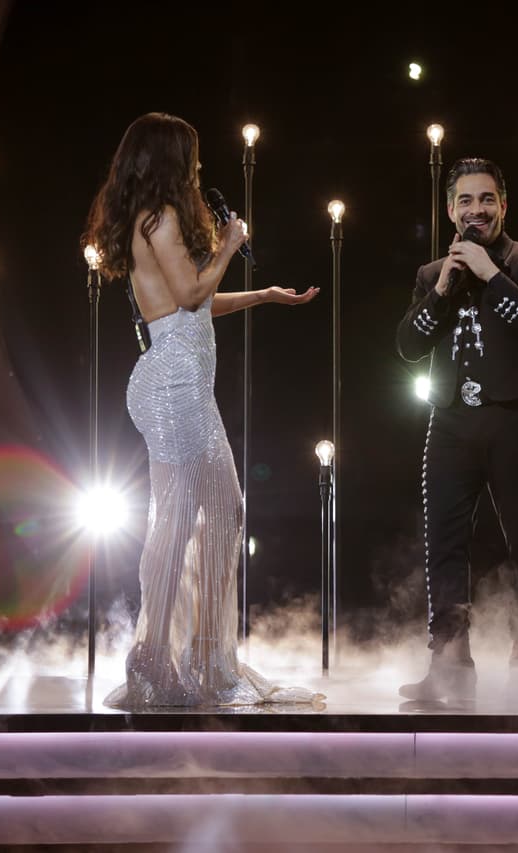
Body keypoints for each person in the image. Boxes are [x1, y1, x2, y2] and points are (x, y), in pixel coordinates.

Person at [84, 112, 321, 709]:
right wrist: (233, 245)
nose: (198, 167)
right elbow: (192, 292)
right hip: (173, 386)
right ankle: (156, 655)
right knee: (183, 514)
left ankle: (200, 654)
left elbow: (192, 305)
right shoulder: (158, 219)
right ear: (169, 159)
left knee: (216, 509)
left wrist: (263, 295)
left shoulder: (153, 219)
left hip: (182, 383)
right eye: (190, 156)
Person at [395, 158, 518, 704]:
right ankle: (449, 663)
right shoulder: (432, 273)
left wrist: (491, 274)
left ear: (503, 205)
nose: (476, 210)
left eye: (487, 199)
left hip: (515, 420)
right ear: (450, 209)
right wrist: (442, 289)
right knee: (443, 543)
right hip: (450, 423)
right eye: (465, 201)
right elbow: (408, 345)